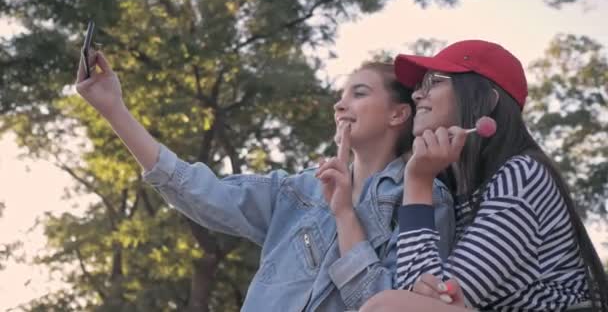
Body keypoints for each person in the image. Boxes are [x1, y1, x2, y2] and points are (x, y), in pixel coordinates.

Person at [74, 53, 456, 311]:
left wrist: (344, 216)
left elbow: (391, 304)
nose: (340, 105)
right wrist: (114, 109)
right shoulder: (297, 190)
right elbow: (194, 189)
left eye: (359, 93)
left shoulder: (423, 199)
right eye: (340, 96)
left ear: (398, 115)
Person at [360, 40, 608, 311]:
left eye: (435, 81)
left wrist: (417, 182)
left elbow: (432, 301)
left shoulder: (522, 176)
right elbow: (420, 290)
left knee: (385, 307)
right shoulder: (452, 189)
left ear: (486, 101)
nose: (418, 94)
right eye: (419, 85)